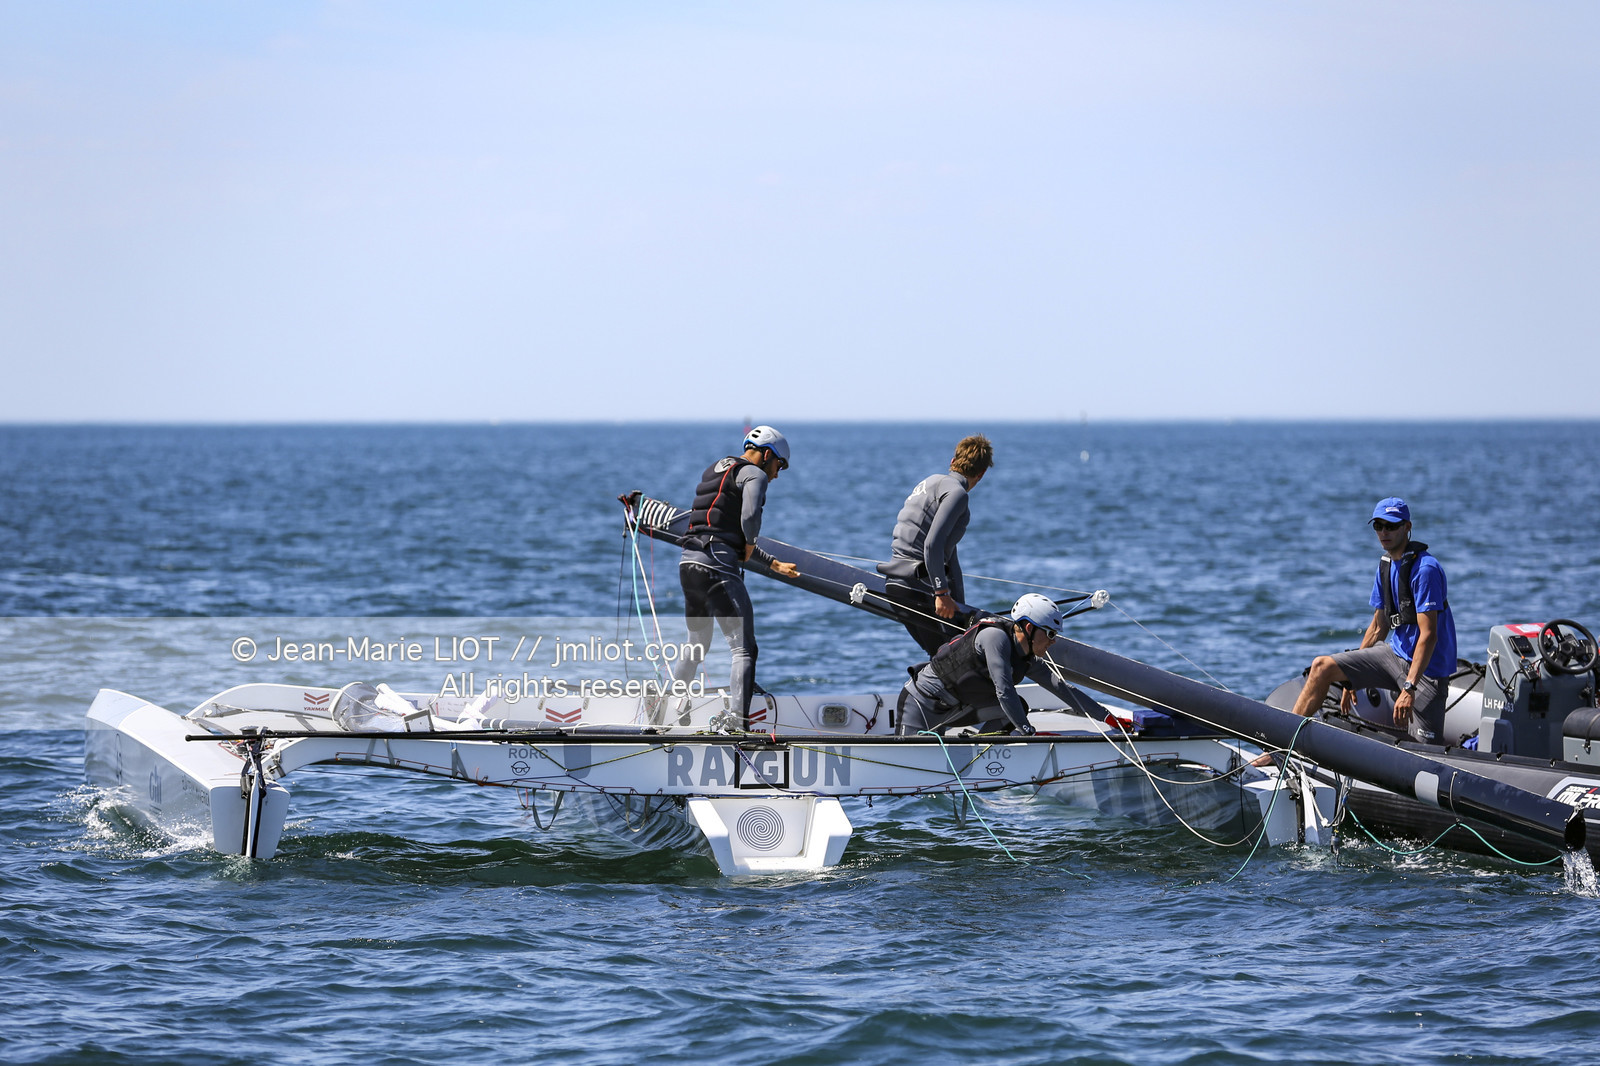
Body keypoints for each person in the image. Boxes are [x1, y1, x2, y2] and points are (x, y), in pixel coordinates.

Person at [1288, 497, 1459, 743]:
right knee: (1321, 667)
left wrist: (1409, 688)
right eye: (1378, 526)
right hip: (1394, 657)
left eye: (1391, 526)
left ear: (1407, 527)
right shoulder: (1386, 565)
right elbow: (1379, 626)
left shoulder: (1426, 570)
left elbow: (1429, 635)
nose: (1384, 532)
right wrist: (1349, 681)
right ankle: (1283, 744)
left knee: (1426, 753)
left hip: (1427, 671)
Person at [670, 426, 799, 728]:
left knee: (696, 645)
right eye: (779, 465)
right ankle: (739, 725)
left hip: (689, 563)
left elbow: (717, 529)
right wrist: (751, 542)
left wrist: (773, 564)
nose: (777, 474)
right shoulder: (755, 475)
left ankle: (666, 707)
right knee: (744, 649)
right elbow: (749, 519)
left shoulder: (716, 470)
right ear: (767, 454)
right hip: (716, 564)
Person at [896, 593, 1105, 736]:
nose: (1054, 641)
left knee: (1017, 709)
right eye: (1050, 633)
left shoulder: (1027, 657)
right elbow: (1004, 690)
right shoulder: (994, 637)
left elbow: (1061, 688)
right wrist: (1026, 730)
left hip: (955, 711)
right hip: (921, 704)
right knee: (907, 774)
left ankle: (981, 753)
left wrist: (1107, 717)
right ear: (1029, 628)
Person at [878, 434, 994, 656]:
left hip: (894, 584)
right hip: (917, 588)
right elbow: (932, 545)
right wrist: (941, 593)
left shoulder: (930, 482)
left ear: (953, 461)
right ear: (981, 474)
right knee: (952, 660)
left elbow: (949, 556)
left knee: (941, 657)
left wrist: (961, 609)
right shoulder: (957, 494)